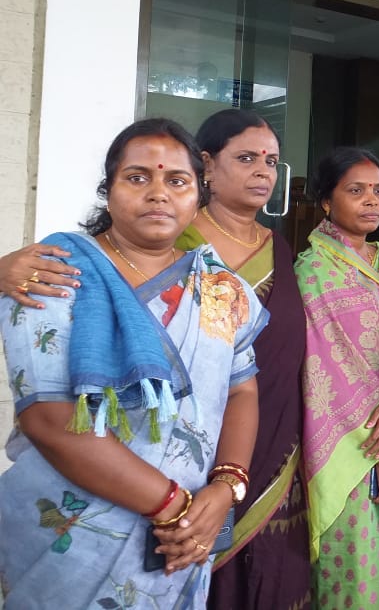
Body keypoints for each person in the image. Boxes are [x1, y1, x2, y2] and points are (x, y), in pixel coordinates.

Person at [0, 108, 312, 609]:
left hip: (184, 542)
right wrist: (174, 506)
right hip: (72, 533)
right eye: (137, 177)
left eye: (177, 180)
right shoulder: (56, 272)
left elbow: (241, 389)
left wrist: (226, 487)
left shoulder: (220, 287)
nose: (159, 193)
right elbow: (50, 418)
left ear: (198, 193)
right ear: (108, 189)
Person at [295, 147, 379, 609]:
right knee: (357, 567)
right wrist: (377, 439)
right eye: (356, 190)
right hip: (349, 444)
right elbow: (322, 367)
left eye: (378, 191)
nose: (372, 201)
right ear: (327, 201)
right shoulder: (311, 272)